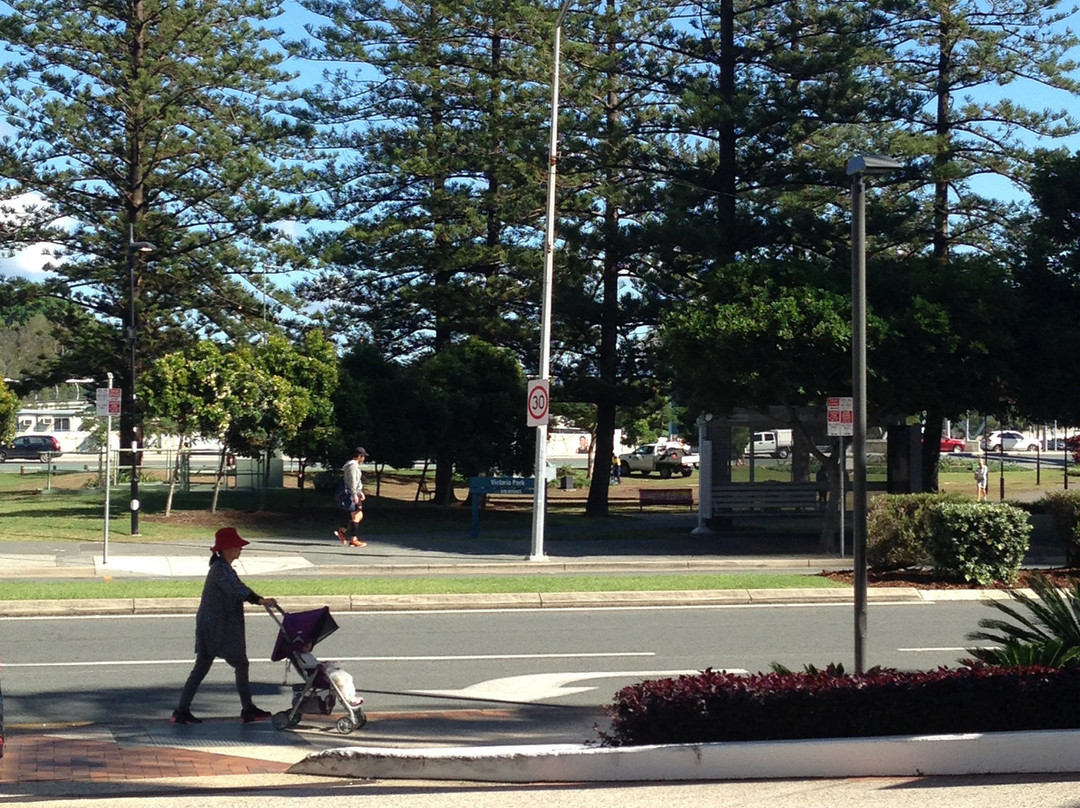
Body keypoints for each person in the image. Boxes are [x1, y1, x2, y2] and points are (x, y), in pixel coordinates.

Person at [172, 527, 277, 725]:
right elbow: (237, 589)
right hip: (216, 627)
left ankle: (182, 711)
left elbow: (238, 587)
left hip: (215, 625)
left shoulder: (223, 567)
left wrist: (259, 599)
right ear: (227, 548)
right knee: (235, 664)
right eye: (237, 545)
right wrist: (259, 600)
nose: (240, 548)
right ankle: (247, 709)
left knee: (206, 666)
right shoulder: (219, 570)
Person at [297, 641, 364, 708]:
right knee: (339, 680)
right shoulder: (300, 656)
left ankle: (352, 696)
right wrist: (322, 665)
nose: (308, 647)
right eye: (306, 645)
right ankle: (347, 699)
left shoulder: (308, 655)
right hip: (319, 676)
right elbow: (307, 665)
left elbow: (315, 663)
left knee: (348, 677)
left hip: (324, 672)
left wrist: (325, 663)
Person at [335, 446, 368, 548]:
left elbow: (357, 481)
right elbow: (352, 481)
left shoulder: (354, 465)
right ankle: (353, 539)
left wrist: (360, 491)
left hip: (354, 492)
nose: (364, 459)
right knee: (357, 515)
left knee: (357, 515)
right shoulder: (353, 466)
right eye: (363, 456)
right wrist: (354, 494)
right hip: (350, 493)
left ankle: (342, 531)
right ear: (359, 456)